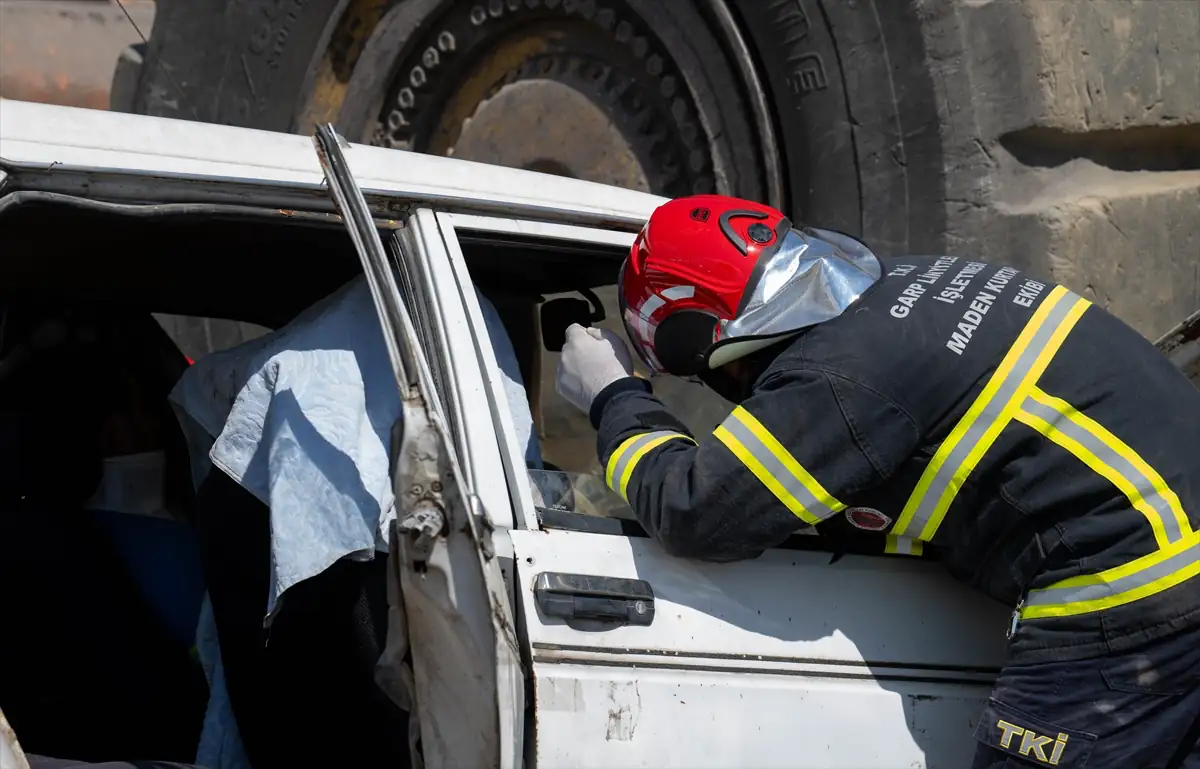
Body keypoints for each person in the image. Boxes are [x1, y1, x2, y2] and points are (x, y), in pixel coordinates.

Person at [553, 194, 1200, 769]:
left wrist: (613, 395)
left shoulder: (836, 375)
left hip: (1134, 593)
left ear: (702, 341)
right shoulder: (901, 289)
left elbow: (695, 509)